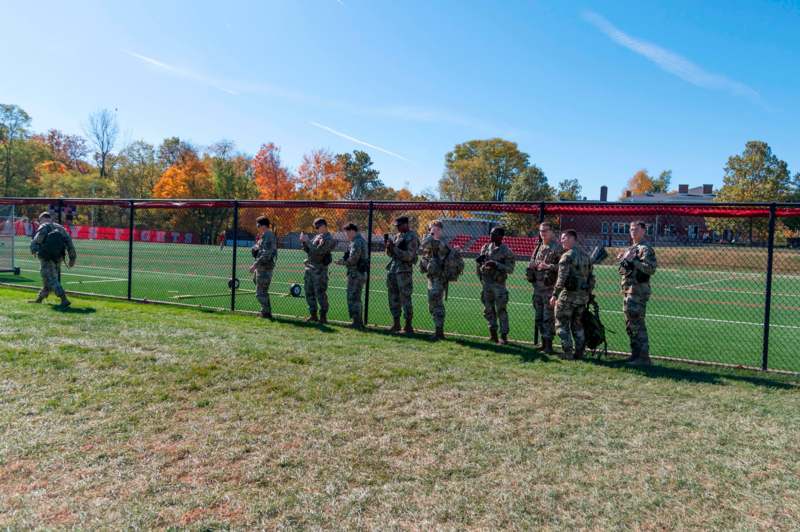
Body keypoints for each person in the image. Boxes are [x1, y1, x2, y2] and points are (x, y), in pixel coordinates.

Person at [549, 229, 594, 360]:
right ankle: (579, 352)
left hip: (567, 297)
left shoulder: (567, 256)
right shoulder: (586, 256)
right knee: (578, 324)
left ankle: (568, 352)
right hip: (582, 297)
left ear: (570, 238)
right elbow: (591, 278)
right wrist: (588, 293)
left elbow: (561, 278)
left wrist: (554, 295)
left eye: (563, 238)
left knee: (561, 324)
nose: (561, 241)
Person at [617, 220, 658, 365]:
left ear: (643, 231)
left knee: (638, 324)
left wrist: (633, 260)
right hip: (628, 290)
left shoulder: (645, 249)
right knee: (630, 324)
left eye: (636, 229)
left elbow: (650, 269)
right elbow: (624, 270)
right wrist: (623, 260)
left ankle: (643, 357)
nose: (632, 231)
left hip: (638, 292)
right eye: (631, 229)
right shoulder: (632, 248)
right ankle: (635, 355)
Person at [527, 222, 562, 354]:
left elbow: (564, 268)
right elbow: (531, 263)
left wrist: (548, 266)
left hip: (549, 289)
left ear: (552, 231)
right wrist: (533, 266)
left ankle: (549, 345)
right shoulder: (538, 247)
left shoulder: (557, 248)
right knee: (539, 317)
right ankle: (543, 343)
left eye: (545, 231)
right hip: (537, 288)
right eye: (541, 231)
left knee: (548, 318)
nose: (542, 233)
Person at [29, 211, 76, 308]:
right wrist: (72, 258)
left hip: (46, 257)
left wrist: (34, 250)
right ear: (50, 218)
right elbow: (69, 243)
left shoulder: (43, 226)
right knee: (48, 279)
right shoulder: (60, 228)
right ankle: (40, 299)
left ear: (41, 219)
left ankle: (64, 299)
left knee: (51, 278)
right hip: (58, 257)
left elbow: (36, 240)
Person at [477, 226, 516, 344]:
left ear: (501, 236)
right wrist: (481, 269)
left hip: (499, 285)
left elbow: (510, 269)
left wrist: (496, 264)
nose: (491, 235)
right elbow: (479, 263)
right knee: (488, 310)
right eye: (490, 233)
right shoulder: (485, 247)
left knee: (501, 311)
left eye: (494, 234)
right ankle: (493, 335)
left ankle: (503, 336)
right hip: (486, 284)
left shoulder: (506, 251)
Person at [386, 216, 420, 334]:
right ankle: (396, 323)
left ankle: (408, 325)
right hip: (393, 270)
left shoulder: (412, 237)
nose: (398, 228)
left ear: (406, 224)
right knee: (393, 297)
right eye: (397, 226)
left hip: (404, 271)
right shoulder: (398, 236)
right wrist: (389, 248)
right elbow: (392, 255)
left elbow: (409, 256)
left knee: (405, 297)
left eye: (399, 225)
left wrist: (394, 249)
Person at [300, 218, 336, 323]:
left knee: (320, 294)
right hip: (310, 268)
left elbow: (319, 252)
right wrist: (304, 243)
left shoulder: (328, 238)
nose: (316, 229)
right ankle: (313, 315)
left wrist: (307, 241)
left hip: (319, 270)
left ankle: (323, 317)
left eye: (317, 227)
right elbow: (310, 251)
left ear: (324, 226)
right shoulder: (318, 237)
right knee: (309, 292)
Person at [419, 220, 450, 340]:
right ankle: (438, 330)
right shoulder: (430, 242)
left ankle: (439, 332)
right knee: (431, 304)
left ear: (440, 230)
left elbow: (436, 246)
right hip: (431, 277)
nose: (433, 232)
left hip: (439, 278)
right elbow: (423, 245)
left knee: (437, 304)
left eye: (435, 229)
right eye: (431, 229)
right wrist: (430, 236)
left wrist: (431, 237)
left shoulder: (442, 243)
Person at [336, 222, 368, 329]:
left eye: (347, 232)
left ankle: (357, 322)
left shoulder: (357, 242)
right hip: (356, 273)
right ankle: (356, 322)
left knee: (354, 298)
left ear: (352, 231)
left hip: (356, 274)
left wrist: (341, 262)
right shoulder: (357, 241)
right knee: (354, 297)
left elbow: (353, 259)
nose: (346, 235)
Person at [248, 216, 277, 319]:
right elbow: (260, 250)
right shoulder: (264, 236)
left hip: (265, 268)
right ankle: (265, 311)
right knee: (260, 287)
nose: (257, 227)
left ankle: (266, 313)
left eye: (258, 225)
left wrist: (255, 265)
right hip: (261, 267)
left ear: (263, 225)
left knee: (260, 293)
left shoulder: (268, 235)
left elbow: (266, 253)